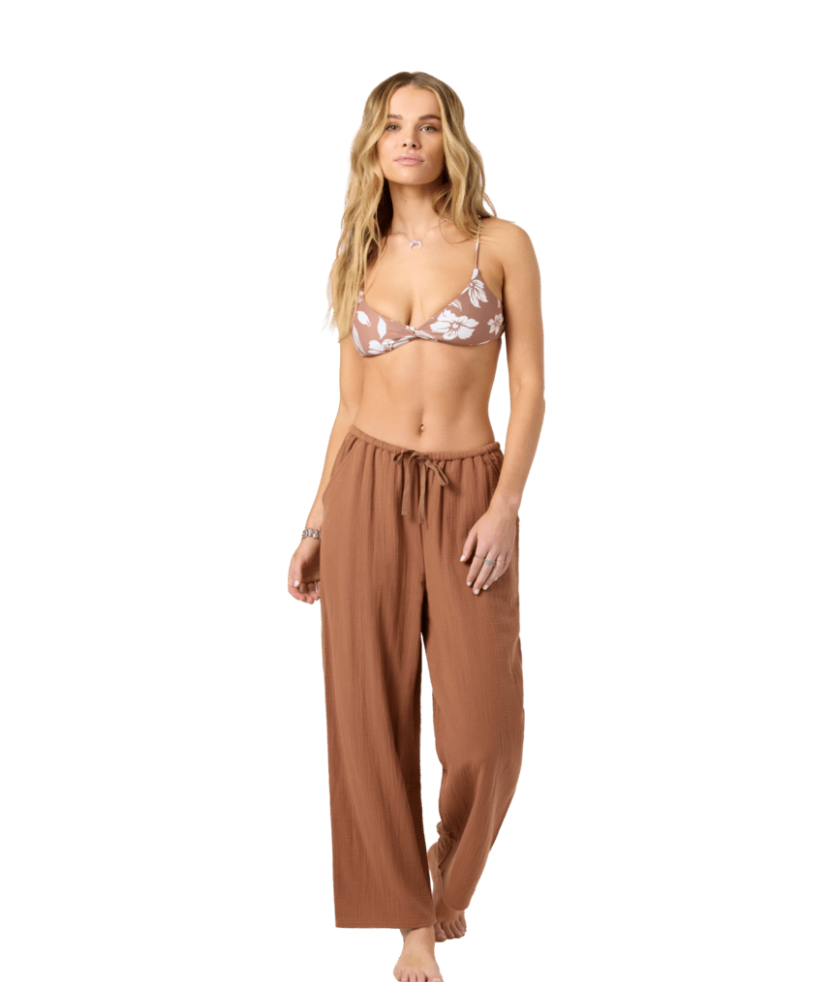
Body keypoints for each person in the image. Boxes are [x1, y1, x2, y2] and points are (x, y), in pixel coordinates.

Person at [288, 71, 545, 982]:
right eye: (393, 125)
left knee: (485, 729)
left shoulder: (502, 245)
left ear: (452, 140)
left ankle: (445, 878)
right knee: (369, 711)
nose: (410, 139)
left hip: (470, 491)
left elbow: (530, 390)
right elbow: (349, 405)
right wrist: (316, 522)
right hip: (366, 488)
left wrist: (505, 505)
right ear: (373, 144)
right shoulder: (360, 253)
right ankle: (412, 925)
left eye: (428, 125)